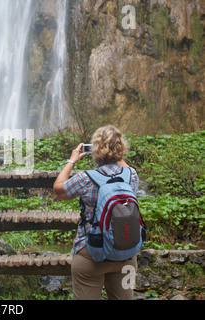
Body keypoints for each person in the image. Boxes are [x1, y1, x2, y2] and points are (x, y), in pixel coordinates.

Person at [53, 125, 139, 300]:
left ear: (95, 149)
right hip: (125, 256)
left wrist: (72, 160)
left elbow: (58, 189)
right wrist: (116, 153)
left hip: (90, 255)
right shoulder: (132, 175)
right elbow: (124, 168)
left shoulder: (86, 178)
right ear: (122, 148)